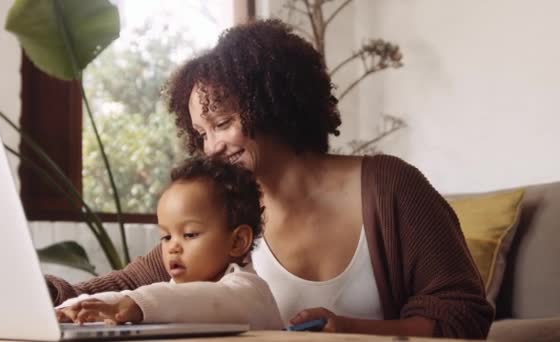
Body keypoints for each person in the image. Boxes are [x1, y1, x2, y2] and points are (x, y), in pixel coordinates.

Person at [47, 19, 493, 338]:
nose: (211, 148)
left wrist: (350, 330)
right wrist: (43, 290)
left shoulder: (391, 187)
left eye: (222, 123)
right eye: (201, 134)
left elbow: (463, 316)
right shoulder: (226, 209)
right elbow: (124, 285)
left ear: (275, 103)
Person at [54, 156, 282, 330]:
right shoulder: (170, 292)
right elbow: (124, 297)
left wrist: (134, 304)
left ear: (237, 241)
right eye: (166, 236)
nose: (173, 246)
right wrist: (73, 308)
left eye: (190, 234)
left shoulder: (250, 292)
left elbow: (205, 300)